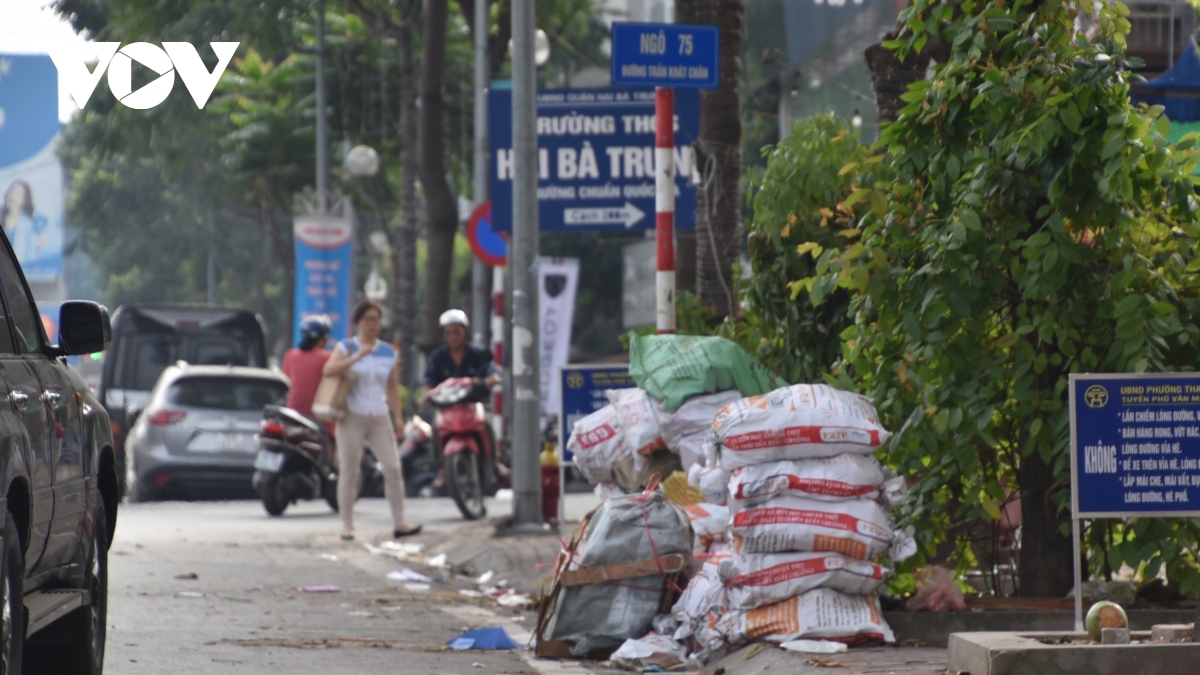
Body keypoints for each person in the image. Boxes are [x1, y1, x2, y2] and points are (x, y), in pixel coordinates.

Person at [323, 301, 421, 541]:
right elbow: (329, 370)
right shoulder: (347, 347)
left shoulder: (388, 351)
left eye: (376, 319)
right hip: (352, 416)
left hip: (378, 415)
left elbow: (392, 386)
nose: (371, 324)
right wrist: (356, 357)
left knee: (393, 468)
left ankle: (400, 522)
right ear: (358, 323)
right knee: (349, 471)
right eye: (367, 319)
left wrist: (398, 418)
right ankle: (347, 525)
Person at [420, 309, 501, 403]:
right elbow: (429, 380)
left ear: (465, 331)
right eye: (448, 333)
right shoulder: (437, 357)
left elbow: (492, 373)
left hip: (474, 405)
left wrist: (487, 381)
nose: (453, 337)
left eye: (457, 332)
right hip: (446, 407)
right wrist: (427, 394)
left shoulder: (479, 353)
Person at [281, 315, 333, 420]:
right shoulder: (328, 358)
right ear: (322, 340)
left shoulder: (290, 355)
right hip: (320, 418)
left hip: (293, 414)